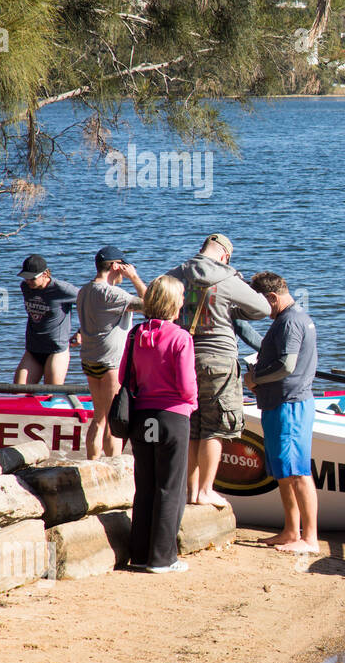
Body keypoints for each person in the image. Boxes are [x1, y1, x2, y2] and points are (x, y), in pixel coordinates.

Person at [167, 234, 271, 508]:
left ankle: (189, 492)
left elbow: (155, 304)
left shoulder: (176, 274)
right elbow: (263, 308)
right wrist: (229, 308)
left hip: (183, 358)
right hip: (219, 360)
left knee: (192, 426)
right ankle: (205, 491)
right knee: (215, 428)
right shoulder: (227, 278)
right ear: (224, 255)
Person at [121, 275, 197, 573]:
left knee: (146, 486)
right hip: (173, 416)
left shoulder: (136, 333)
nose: (182, 302)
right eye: (180, 297)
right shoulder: (181, 338)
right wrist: (190, 404)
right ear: (171, 303)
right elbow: (187, 386)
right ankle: (163, 558)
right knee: (171, 488)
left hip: (142, 415)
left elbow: (123, 377)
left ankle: (139, 554)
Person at [244, 271, 320, 554]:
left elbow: (287, 366)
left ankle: (309, 539)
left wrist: (255, 380)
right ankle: (291, 531)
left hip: (291, 405)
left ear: (272, 297)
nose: (259, 310)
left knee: (299, 473)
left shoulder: (290, 321)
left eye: (261, 303)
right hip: (281, 404)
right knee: (283, 473)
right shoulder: (290, 318)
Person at [76, 246, 147, 458]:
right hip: (111, 363)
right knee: (113, 418)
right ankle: (112, 466)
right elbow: (151, 305)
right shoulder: (112, 293)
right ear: (116, 266)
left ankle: (92, 462)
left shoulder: (84, 291)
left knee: (99, 416)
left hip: (90, 359)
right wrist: (134, 277)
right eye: (123, 266)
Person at [14, 255, 79, 386]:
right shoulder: (25, 287)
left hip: (56, 350)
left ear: (46, 274)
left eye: (32, 278)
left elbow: (91, 302)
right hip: (33, 349)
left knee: (50, 394)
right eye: (25, 277)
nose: (28, 281)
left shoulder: (62, 290)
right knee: (18, 392)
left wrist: (82, 332)